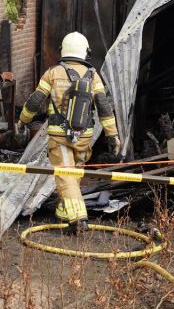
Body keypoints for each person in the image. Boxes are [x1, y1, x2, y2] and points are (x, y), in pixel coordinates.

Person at [16, 32, 121, 234]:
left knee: (65, 175)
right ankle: (64, 212)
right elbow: (104, 107)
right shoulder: (93, 75)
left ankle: (78, 217)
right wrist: (112, 135)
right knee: (72, 176)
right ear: (85, 51)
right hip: (85, 137)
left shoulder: (53, 73)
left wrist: (22, 121)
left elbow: (35, 101)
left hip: (59, 136)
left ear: (63, 50)